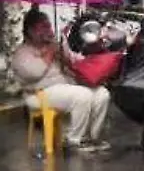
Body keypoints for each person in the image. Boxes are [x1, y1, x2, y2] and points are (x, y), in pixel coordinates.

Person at [13, 9, 111, 153]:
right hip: (38, 94)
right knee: (82, 95)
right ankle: (73, 140)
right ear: (31, 31)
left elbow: (76, 61)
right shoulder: (22, 52)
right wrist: (49, 55)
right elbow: (34, 74)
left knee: (102, 94)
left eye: (49, 26)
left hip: (65, 87)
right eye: (44, 27)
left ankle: (91, 137)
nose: (49, 30)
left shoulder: (54, 46)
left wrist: (65, 55)